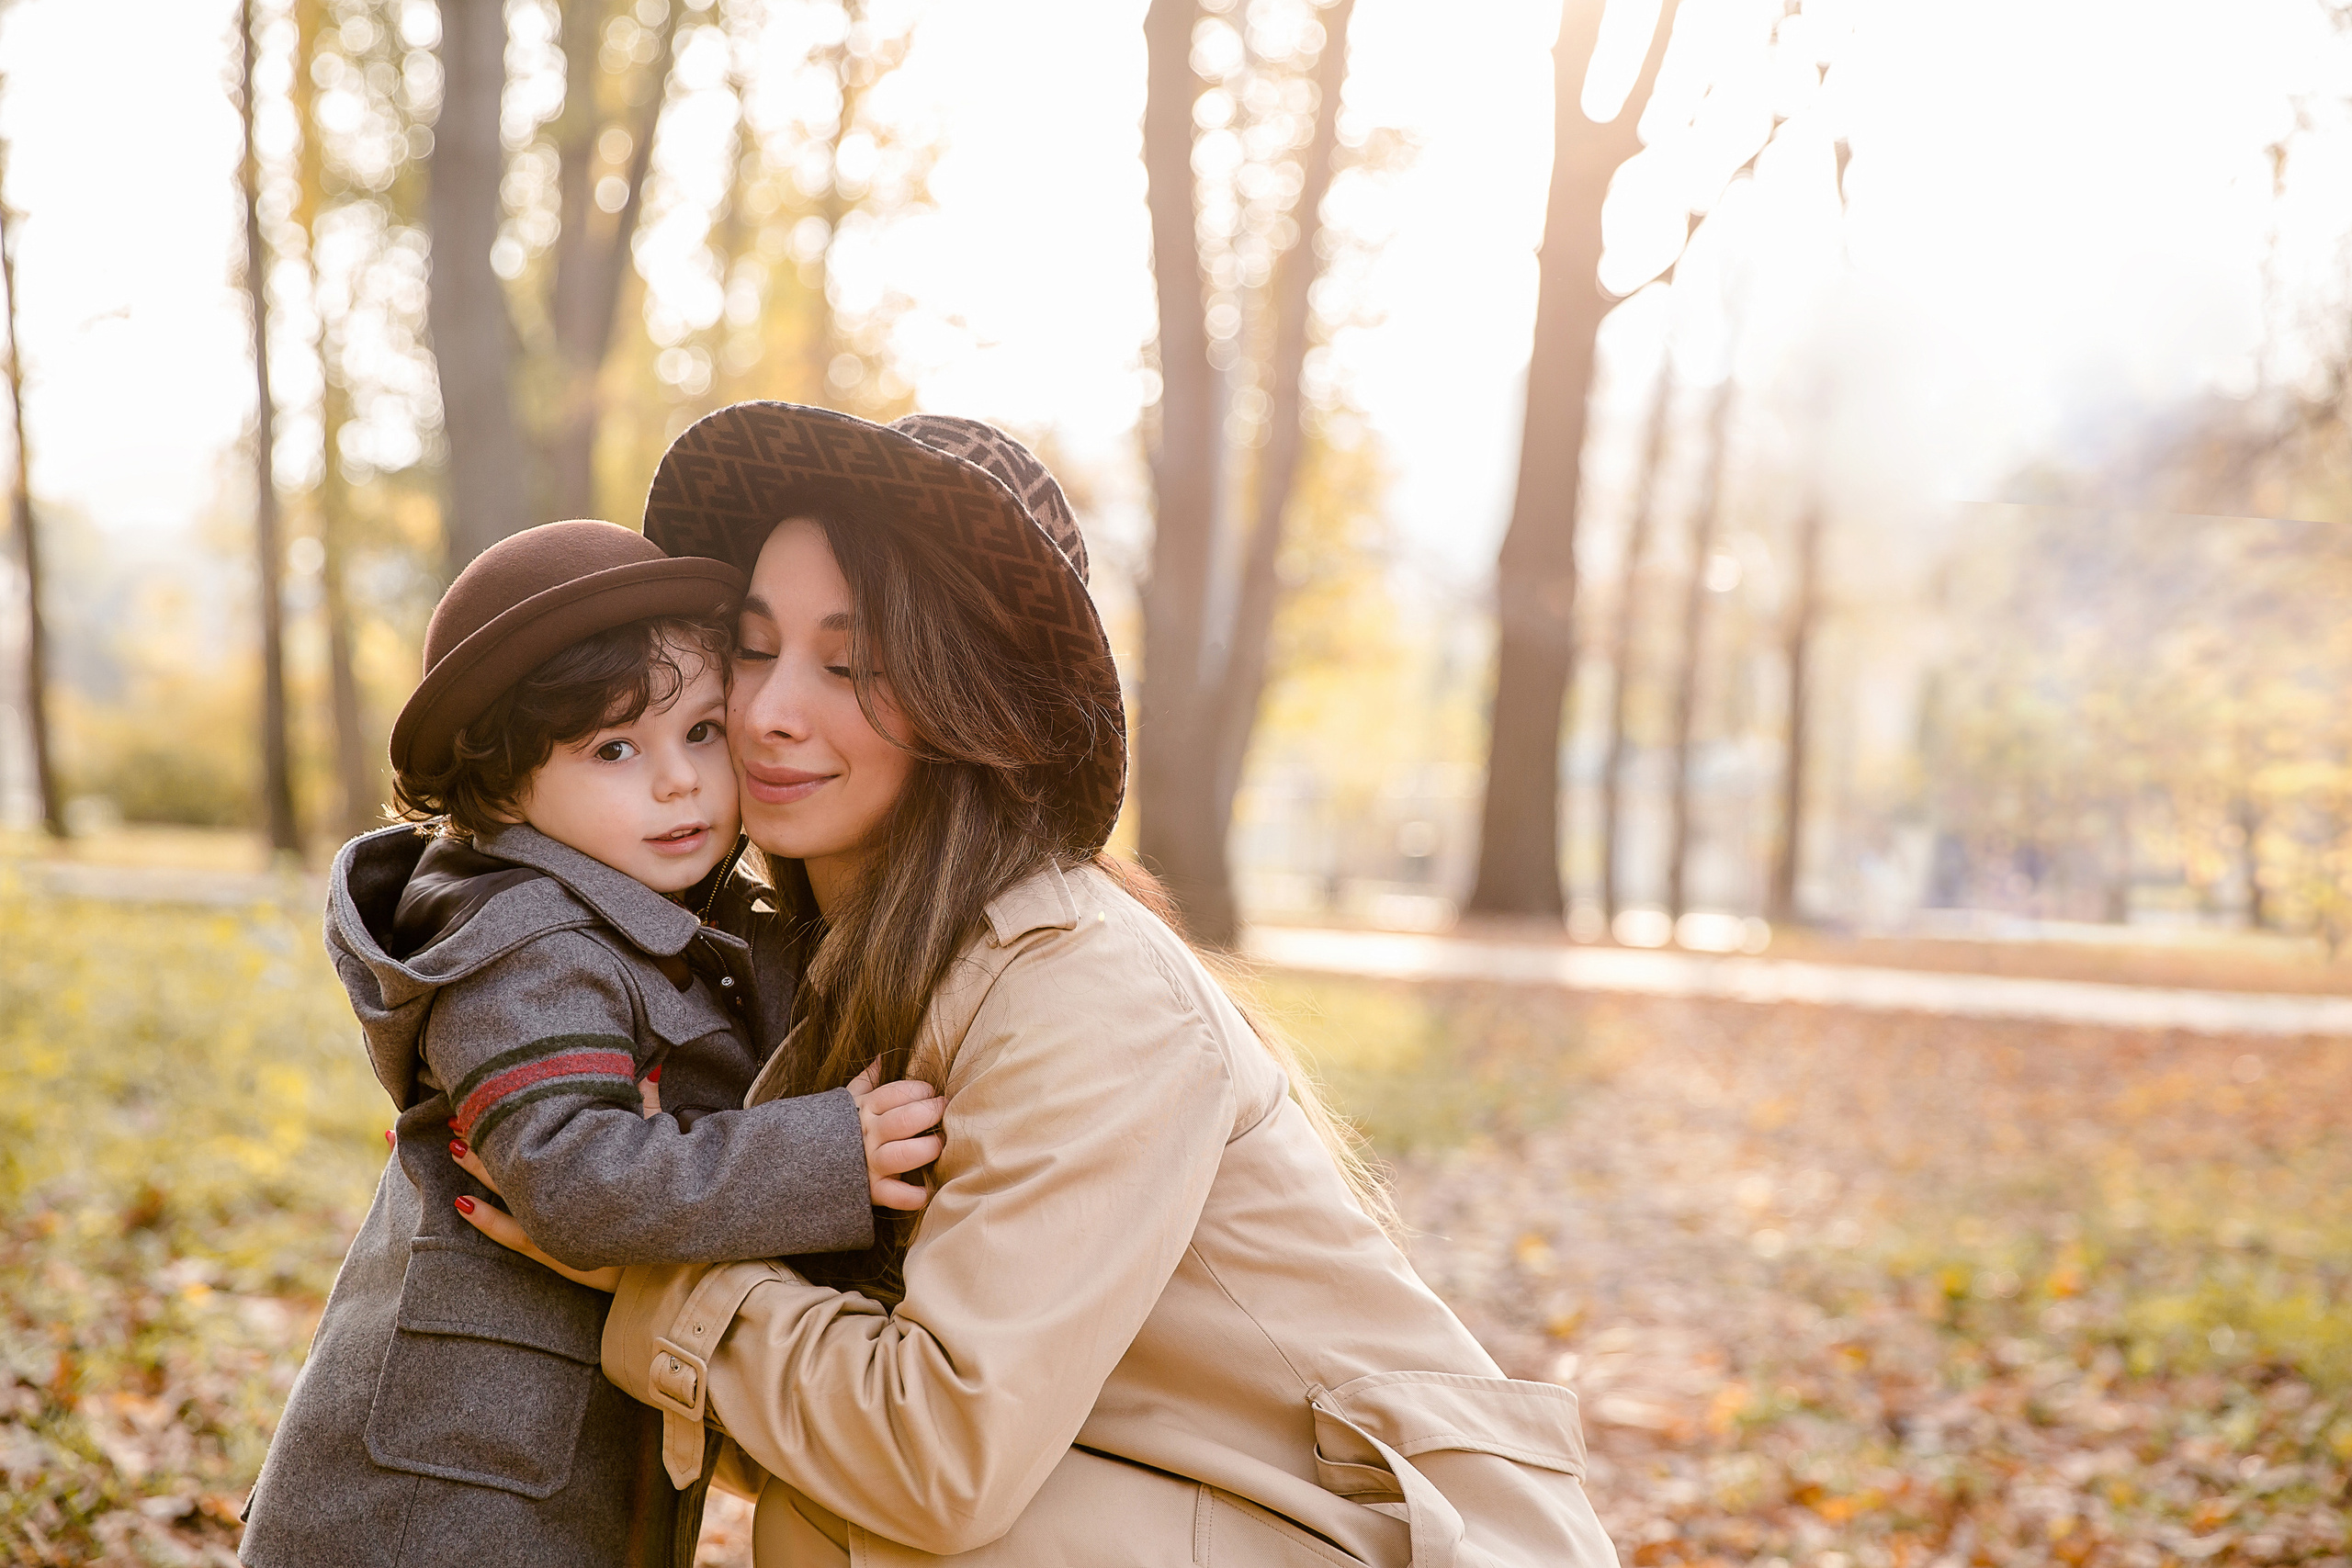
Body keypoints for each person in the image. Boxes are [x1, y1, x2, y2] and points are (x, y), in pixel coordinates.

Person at [455, 405, 1620, 1567]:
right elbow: (811, 1423)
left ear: (968, 700)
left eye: (851, 666)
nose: (766, 712)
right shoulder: (832, 973)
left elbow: (934, 1460)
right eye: (753, 651)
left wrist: (651, 1270)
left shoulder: (1080, 988)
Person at [239, 519, 945, 1568]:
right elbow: (573, 1183)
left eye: (701, 731)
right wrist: (830, 1151)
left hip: (558, 1475)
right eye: (615, 749)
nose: (678, 781)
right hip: (441, 1502)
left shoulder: (658, 918)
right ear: (503, 788)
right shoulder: (524, 946)